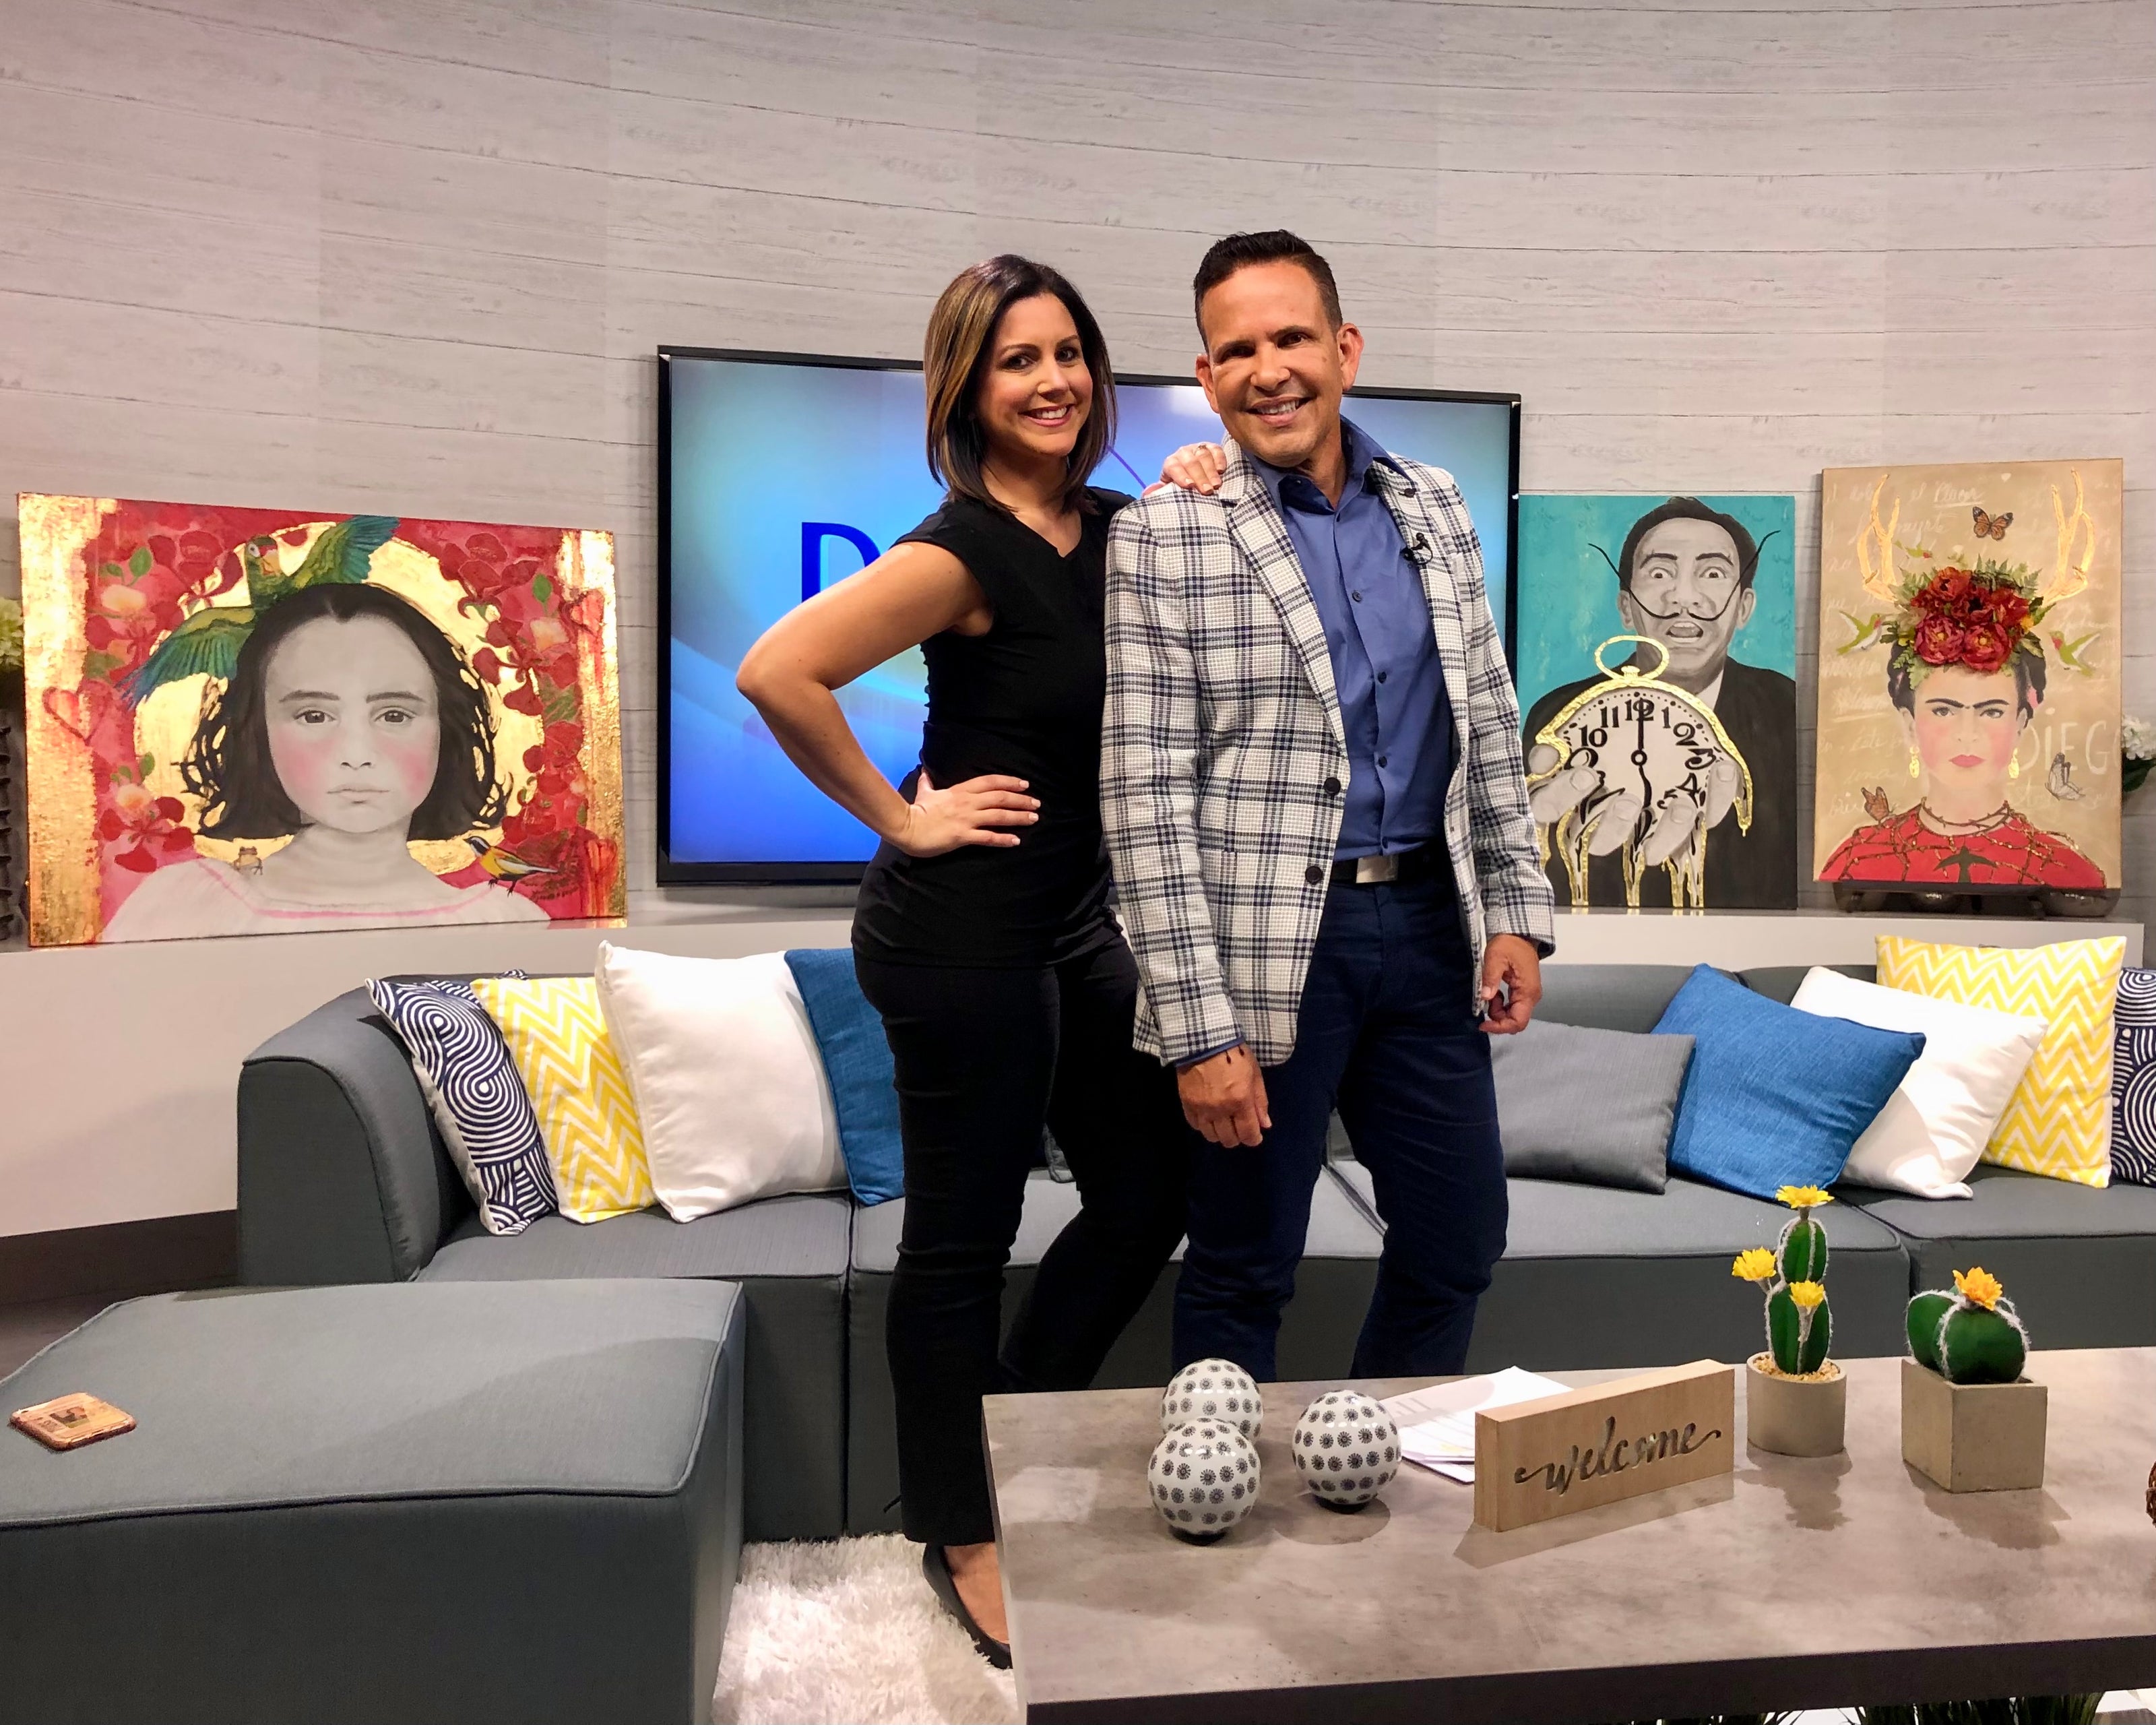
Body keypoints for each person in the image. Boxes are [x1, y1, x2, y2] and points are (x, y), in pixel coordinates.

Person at [734, 255, 1191, 1668]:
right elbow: (777, 670)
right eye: (1016, 360)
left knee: (1150, 1189)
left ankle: (1007, 1420)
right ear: (967, 388)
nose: (1052, 380)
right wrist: (900, 816)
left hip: (1072, 921)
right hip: (958, 936)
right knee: (960, 1242)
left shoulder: (1117, 528)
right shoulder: (959, 551)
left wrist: (1207, 482)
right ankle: (963, 1524)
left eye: (1068, 352)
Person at [1102, 229, 1554, 1387]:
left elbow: (1486, 714)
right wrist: (1198, 1032)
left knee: (1459, 1243)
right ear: (1206, 379)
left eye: (1292, 338)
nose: (1270, 370)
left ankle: (1371, 1452)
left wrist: (1516, 908)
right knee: (1244, 1264)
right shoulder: (1165, 531)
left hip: (1431, 930)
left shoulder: (1436, 503)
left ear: (1345, 350)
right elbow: (1145, 798)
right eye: (1237, 350)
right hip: (1269, 949)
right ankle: (1214, 1481)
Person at [102, 582, 547, 940]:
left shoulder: (505, 923)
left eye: (394, 715)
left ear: (445, 729)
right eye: (314, 716)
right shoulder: (187, 910)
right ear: (258, 731)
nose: (357, 755)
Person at [1521, 497, 1798, 908]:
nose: (1683, 597)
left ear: (1743, 608)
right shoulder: (1561, 715)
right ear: (1626, 608)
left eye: (1713, 573)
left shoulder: (1786, 708)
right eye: (1660, 573)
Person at [1820, 561, 2103, 887]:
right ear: (1910, 724)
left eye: (1991, 712)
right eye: (1944, 711)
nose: (1967, 735)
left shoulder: (2064, 870)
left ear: (2020, 724)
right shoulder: (1859, 860)